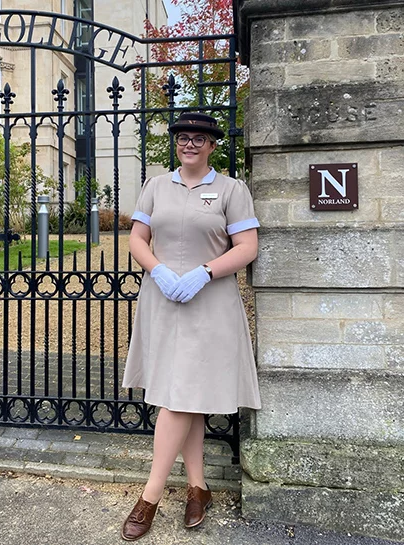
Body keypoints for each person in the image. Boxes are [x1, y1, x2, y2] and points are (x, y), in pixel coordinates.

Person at [121, 112, 261, 541]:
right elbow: (137, 239)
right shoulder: (156, 186)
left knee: (179, 394)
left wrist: (205, 272)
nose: (190, 144)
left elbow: (248, 247)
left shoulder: (231, 190)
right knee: (186, 392)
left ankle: (151, 494)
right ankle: (198, 488)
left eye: (200, 138)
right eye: (183, 137)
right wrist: (158, 270)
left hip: (210, 302)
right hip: (162, 300)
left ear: (213, 146)